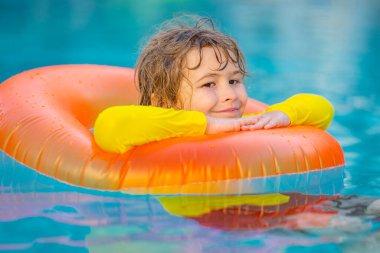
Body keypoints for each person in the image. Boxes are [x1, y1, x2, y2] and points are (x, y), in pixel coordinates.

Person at [94, 17, 334, 154]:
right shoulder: (157, 135)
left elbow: (322, 109)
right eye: (209, 84)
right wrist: (208, 125)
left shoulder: (250, 125)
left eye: (234, 81)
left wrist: (282, 115)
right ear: (165, 101)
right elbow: (110, 125)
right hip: (202, 224)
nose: (230, 95)